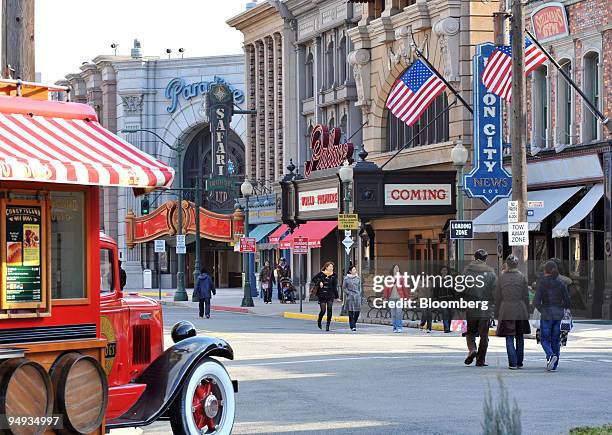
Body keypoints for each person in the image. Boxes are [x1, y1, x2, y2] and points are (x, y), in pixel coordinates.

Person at [495, 254, 531, 369]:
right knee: (520, 336)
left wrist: (497, 313)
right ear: (517, 264)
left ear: (507, 264)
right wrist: (528, 312)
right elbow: (526, 296)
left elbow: (497, 297)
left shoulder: (501, 277)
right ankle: (519, 362)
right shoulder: (522, 277)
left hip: (506, 309)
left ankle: (512, 363)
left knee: (509, 337)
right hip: (520, 308)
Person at [462, 249, 497, 367]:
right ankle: (480, 359)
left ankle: (472, 349)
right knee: (484, 335)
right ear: (485, 259)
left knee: (471, 331)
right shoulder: (491, 272)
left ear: (474, 257)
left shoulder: (467, 271)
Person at [534, 260, 571, 371]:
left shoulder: (541, 283)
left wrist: (542, 310)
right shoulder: (561, 284)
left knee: (544, 339)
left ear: (545, 270)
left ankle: (551, 355)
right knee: (556, 340)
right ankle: (554, 365)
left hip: (546, 314)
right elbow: (568, 302)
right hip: (558, 315)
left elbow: (536, 301)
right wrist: (561, 308)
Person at [311, 261, 339, 331]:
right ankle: (319, 320)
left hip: (330, 295)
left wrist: (337, 297)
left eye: (332, 267)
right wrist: (319, 282)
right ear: (326, 267)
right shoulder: (321, 274)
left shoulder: (334, 275)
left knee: (330, 309)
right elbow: (313, 279)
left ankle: (328, 325)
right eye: (330, 266)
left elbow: (334, 286)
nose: (332, 268)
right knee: (323, 311)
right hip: (322, 295)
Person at [383, 264, 409, 333]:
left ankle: (399, 327)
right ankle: (395, 327)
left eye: (398, 268)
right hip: (391, 298)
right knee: (393, 314)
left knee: (399, 312)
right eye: (395, 268)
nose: (397, 269)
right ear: (393, 269)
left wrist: (406, 297)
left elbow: (405, 288)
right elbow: (386, 288)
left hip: (399, 298)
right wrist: (385, 297)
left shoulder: (402, 278)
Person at [433, 265, 454, 333]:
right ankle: (446, 328)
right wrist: (436, 298)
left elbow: (453, 289)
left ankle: (449, 327)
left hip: (450, 298)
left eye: (446, 270)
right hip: (442, 299)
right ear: (441, 271)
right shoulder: (438, 279)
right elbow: (435, 289)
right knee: (445, 313)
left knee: (451, 314)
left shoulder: (450, 279)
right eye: (443, 270)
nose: (445, 271)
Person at [342, 265, 363, 331]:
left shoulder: (358, 278)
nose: (355, 270)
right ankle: (352, 326)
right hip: (350, 297)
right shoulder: (346, 278)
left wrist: (359, 293)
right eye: (353, 269)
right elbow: (344, 288)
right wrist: (349, 293)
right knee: (351, 312)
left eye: (355, 269)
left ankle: (353, 323)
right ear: (350, 271)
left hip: (357, 297)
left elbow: (360, 287)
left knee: (357, 312)